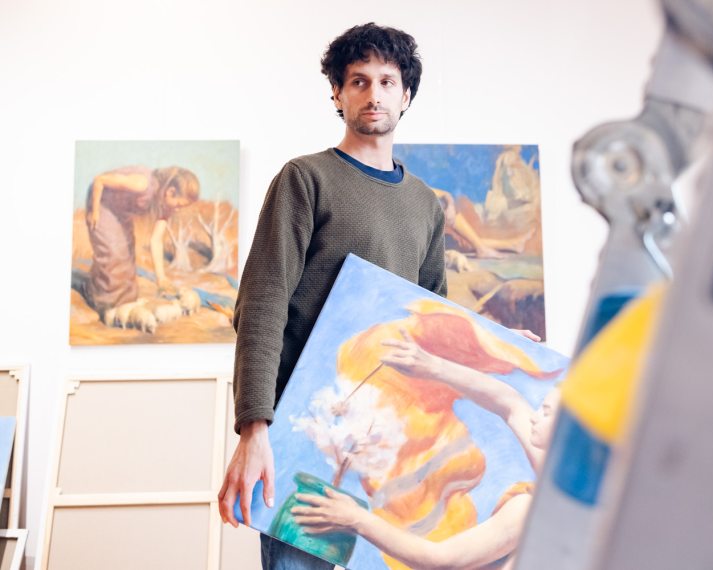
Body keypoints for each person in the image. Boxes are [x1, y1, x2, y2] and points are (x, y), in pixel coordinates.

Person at [218, 23, 447, 570]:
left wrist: (498, 342)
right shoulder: (305, 179)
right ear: (338, 94)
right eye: (359, 81)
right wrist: (254, 428)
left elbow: (432, 320)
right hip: (304, 433)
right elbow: (262, 306)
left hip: (389, 440)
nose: (374, 94)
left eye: (387, 82)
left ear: (406, 95)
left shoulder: (425, 204)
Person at [291, 330, 560, 569]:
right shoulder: (558, 477)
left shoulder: (529, 509)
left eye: (546, 412)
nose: (534, 417)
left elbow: (441, 559)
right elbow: (510, 403)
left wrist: (356, 519)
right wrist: (434, 365)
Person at [84, 165, 200, 317]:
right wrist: (94, 211)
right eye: (178, 205)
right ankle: (105, 304)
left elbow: (156, 241)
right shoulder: (142, 184)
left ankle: (120, 302)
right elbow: (100, 180)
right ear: (170, 192)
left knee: (126, 254)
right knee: (113, 252)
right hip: (101, 204)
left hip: (121, 213)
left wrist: (161, 278)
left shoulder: (165, 206)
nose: (177, 210)